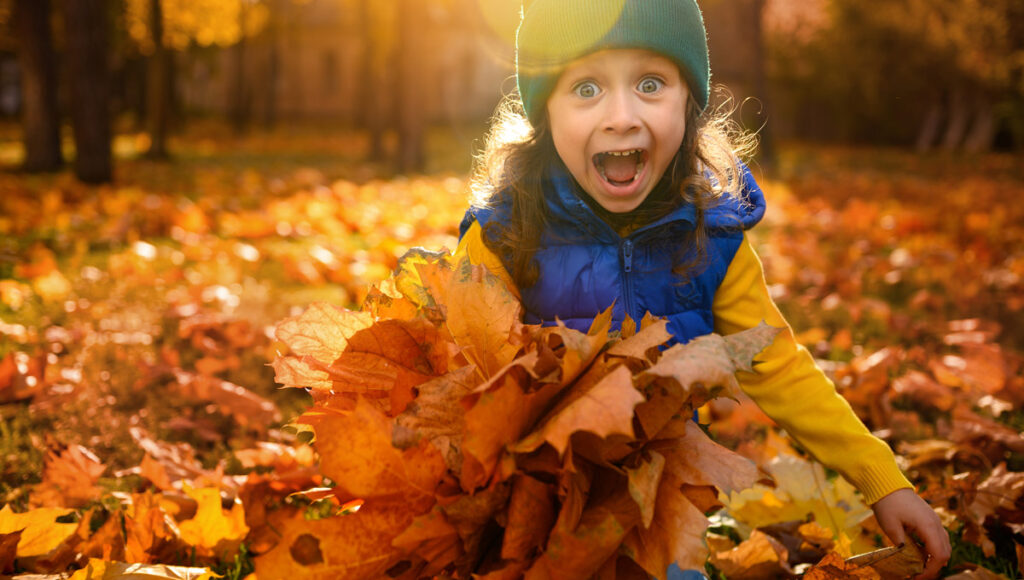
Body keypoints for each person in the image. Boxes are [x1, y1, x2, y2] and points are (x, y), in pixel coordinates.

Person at [454, 0, 951, 578]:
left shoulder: (712, 239)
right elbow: (450, 371)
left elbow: (777, 364)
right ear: (545, 115)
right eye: (585, 88)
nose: (620, 115)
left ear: (689, 103)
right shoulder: (506, 235)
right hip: (530, 501)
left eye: (649, 83)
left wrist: (880, 479)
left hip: (663, 501)